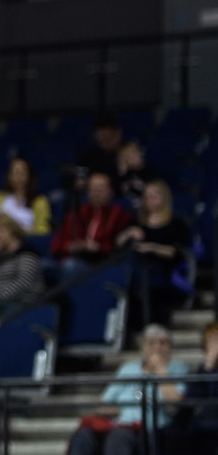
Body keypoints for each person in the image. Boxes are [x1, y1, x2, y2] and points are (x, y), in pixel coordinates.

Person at [66, 324, 186, 455]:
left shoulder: (178, 369)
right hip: (121, 424)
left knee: (119, 436)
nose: (157, 348)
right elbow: (103, 404)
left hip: (153, 429)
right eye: (151, 343)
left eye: (163, 343)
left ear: (170, 348)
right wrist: (120, 409)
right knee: (83, 435)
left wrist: (161, 370)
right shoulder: (128, 369)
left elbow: (175, 404)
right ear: (143, 347)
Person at [114, 180, 192, 330]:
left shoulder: (176, 223)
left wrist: (152, 248)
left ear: (165, 198)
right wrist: (128, 232)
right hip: (138, 270)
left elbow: (177, 253)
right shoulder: (136, 222)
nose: (149, 199)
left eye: (154, 195)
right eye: (146, 195)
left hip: (166, 272)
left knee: (143, 273)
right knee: (131, 265)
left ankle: (139, 318)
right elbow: (117, 245)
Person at [51, 172, 132, 277]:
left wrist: (99, 247)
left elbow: (119, 248)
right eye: (93, 189)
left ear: (111, 192)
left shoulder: (120, 215)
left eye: (101, 189)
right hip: (79, 259)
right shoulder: (77, 212)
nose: (96, 193)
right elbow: (57, 245)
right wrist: (71, 246)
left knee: (70, 265)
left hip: (104, 263)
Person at [167, 321, 218, 454]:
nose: (215, 346)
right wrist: (208, 367)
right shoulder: (203, 368)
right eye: (210, 341)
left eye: (217, 339)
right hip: (204, 422)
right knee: (175, 429)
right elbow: (191, 399)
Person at [0, 157, 51, 234]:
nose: (17, 177)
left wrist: (16, 232)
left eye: (21, 172)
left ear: (29, 175)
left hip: (26, 243)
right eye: (14, 172)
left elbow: (42, 231)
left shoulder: (40, 201)